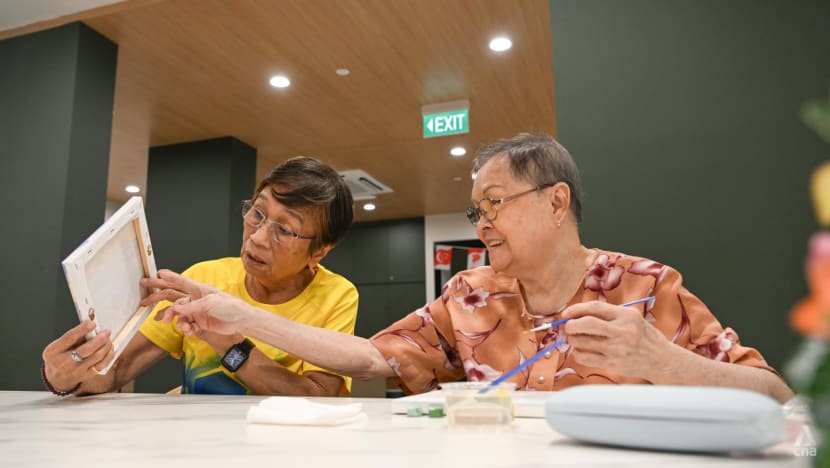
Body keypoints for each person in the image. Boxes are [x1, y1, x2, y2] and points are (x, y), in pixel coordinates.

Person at [150, 133, 793, 403]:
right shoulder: (470, 295)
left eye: (493, 205)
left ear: (556, 202)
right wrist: (242, 316)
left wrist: (662, 361)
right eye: (474, 208)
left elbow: (777, 395)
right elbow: (371, 359)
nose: (480, 223)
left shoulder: (646, 287)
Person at [41, 156, 358, 396]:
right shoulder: (206, 277)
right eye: (257, 214)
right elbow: (116, 371)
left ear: (319, 251)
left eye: (285, 230)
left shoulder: (336, 295)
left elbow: (320, 398)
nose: (258, 238)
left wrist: (228, 342)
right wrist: (69, 374)